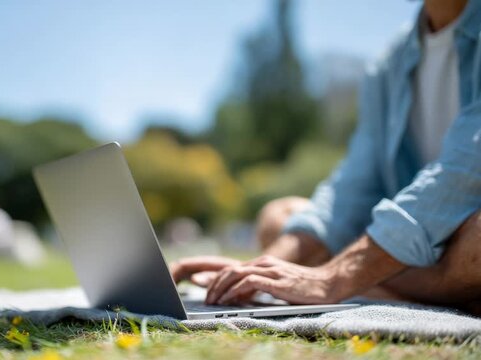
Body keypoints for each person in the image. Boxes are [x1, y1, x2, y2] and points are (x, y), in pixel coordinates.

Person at [171, 0, 481, 314]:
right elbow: (355, 183)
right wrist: (261, 268)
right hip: (424, 257)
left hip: (463, 237)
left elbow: (464, 171)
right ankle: (442, 293)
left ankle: (370, 286)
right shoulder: (391, 61)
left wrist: (335, 276)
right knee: (280, 218)